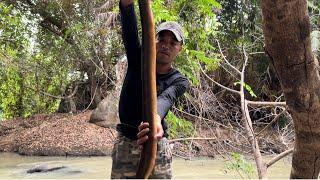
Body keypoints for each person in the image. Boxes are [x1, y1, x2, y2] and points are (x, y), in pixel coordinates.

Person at [111, 0, 190, 178]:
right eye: (161, 39)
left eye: (172, 43)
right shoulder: (138, 58)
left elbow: (166, 99)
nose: (165, 45)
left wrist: (154, 118)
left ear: (180, 49)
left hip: (157, 144)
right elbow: (130, 32)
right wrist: (126, 5)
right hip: (126, 143)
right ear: (154, 41)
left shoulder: (179, 80)